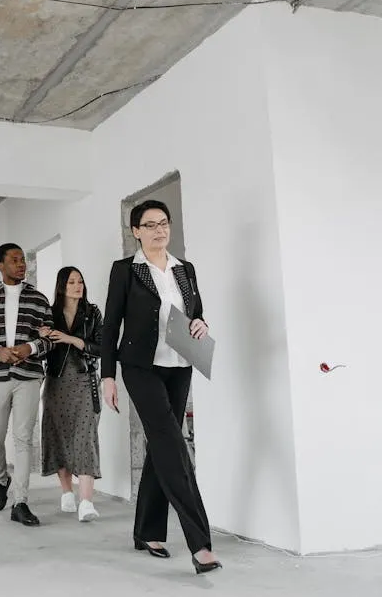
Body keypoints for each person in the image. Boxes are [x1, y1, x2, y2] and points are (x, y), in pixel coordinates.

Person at [100, 199, 222, 574]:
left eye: (163, 223)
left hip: (180, 364)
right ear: (136, 231)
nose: (159, 230)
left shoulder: (185, 269)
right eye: (150, 225)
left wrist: (201, 323)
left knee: (160, 446)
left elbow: (194, 310)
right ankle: (200, 544)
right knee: (173, 444)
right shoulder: (125, 271)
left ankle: (147, 531)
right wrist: (107, 375)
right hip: (140, 367)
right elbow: (110, 325)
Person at [0, 243, 55, 527]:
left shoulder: (39, 299)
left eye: (22, 260)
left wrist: (30, 347)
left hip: (29, 376)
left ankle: (21, 502)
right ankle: (2, 479)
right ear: (0, 265)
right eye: (14, 260)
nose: (21, 265)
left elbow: (49, 337)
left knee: (23, 438)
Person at [39, 266, 104, 523]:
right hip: (56, 382)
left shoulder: (92, 313)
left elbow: (101, 347)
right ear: (62, 287)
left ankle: (86, 501)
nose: (78, 286)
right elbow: (41, 350)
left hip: (85, 380)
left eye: (80, 281)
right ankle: (67, 492)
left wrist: (70, 339)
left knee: (85, 437)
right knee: (59, 435)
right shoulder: (50, 314)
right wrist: (42, 336)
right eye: (72, 282)